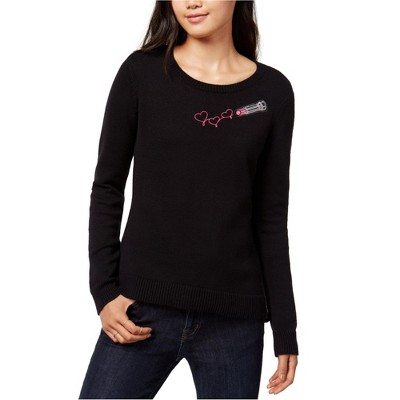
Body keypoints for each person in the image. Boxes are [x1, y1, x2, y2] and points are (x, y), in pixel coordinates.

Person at [79, 1, 299, 398]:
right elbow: (107, 187)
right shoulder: (141, 73)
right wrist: (104, 292)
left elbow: (270, 217)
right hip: (140, 311)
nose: (191, 3)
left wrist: (285, 327)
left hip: (235, 323)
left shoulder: (272, 93)